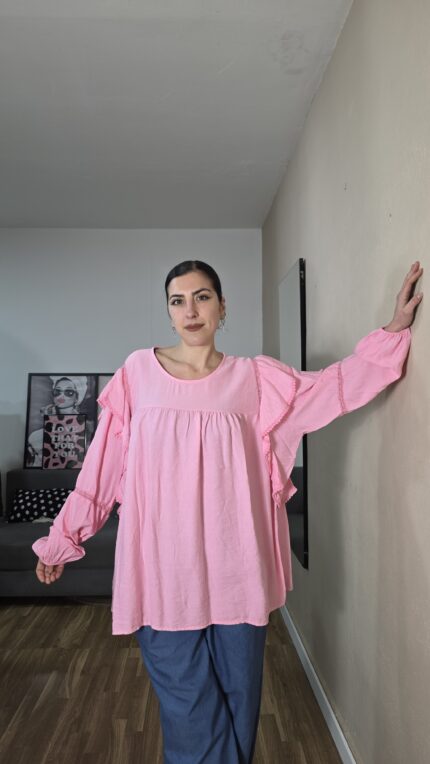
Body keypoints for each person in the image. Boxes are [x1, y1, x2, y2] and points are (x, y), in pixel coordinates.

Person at [32, 260, 423, 763]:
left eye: (202, 297)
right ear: (168, 312)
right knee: (189, 708)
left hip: (237, 569)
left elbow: (331, 388)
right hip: (163, 572)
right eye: (178, 301)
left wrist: (392, 332)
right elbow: (100, 470)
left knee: (240, 705)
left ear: (222, 306)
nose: (190, 310)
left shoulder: (253, 379)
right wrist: (62, 538)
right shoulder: (137, 374)